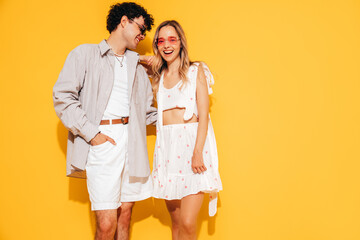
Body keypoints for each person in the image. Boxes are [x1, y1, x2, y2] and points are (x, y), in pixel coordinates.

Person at [53, 2, 156, 240]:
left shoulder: (138, 66)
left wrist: (166, 71)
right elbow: (63, 97)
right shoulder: (85, 54)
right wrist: (93, 135)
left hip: (133, 144)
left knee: (125, 215)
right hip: (103, 143)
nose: (142, 36)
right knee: (107, 222)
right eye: (140, 28)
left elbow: (148, 113)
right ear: (124, 21)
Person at [144, 20, 223, 240]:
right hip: (168, 150)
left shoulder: (196, 70)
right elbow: (133, 61)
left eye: (172, 39)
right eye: (161, 41)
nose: (167, 45)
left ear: (181, 43)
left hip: (191, 148)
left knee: (188, 222)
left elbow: (204, 116)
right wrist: (146, 59)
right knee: (177, 223)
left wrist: (197, 152)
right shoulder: (158, 76)